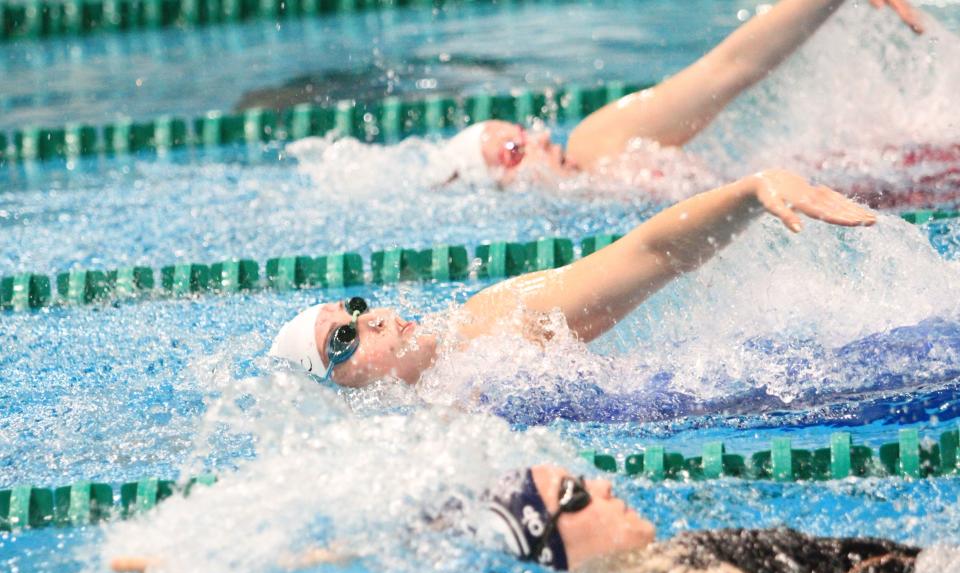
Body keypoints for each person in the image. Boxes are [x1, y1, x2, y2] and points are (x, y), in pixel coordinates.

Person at [269, 169, 877, 387]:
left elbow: (651, 253)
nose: (370, 318)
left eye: (354, 307)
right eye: (343, 341)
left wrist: (750, 191)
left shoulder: (490, 325)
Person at [110, 463, 942, 573]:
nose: (606, 485)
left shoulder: (652, 566)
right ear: (553, 547)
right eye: (578, 496)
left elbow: (401, 552)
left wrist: (198, 567)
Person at [437, 0, 924, 185]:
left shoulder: (594, 144)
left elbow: (726, 70)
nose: (541, 136)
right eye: (514, 149)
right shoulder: (589, 188)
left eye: (523, 130)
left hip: (857, 178)